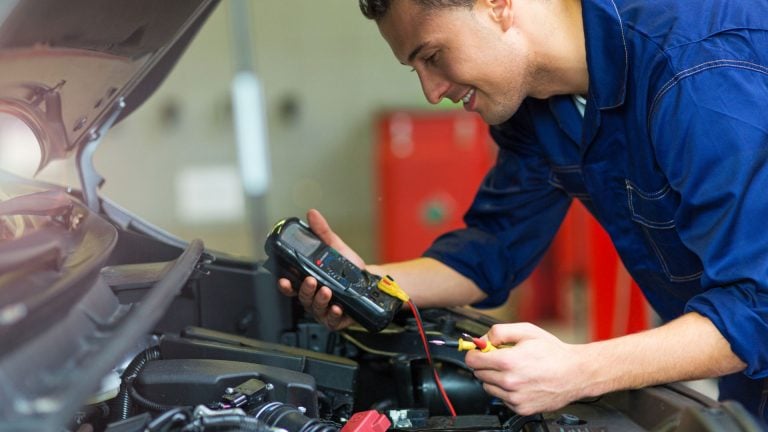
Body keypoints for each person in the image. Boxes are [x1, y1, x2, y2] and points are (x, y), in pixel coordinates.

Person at [277, 0, 768, 422]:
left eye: (433, 56)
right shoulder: (536, 102)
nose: (431, 92)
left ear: (497, 4)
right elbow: (493, 249)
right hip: (748, 374)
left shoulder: (696, 71)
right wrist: (367, 283)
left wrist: (579, 370)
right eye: (417, 69)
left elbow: (757, 307)